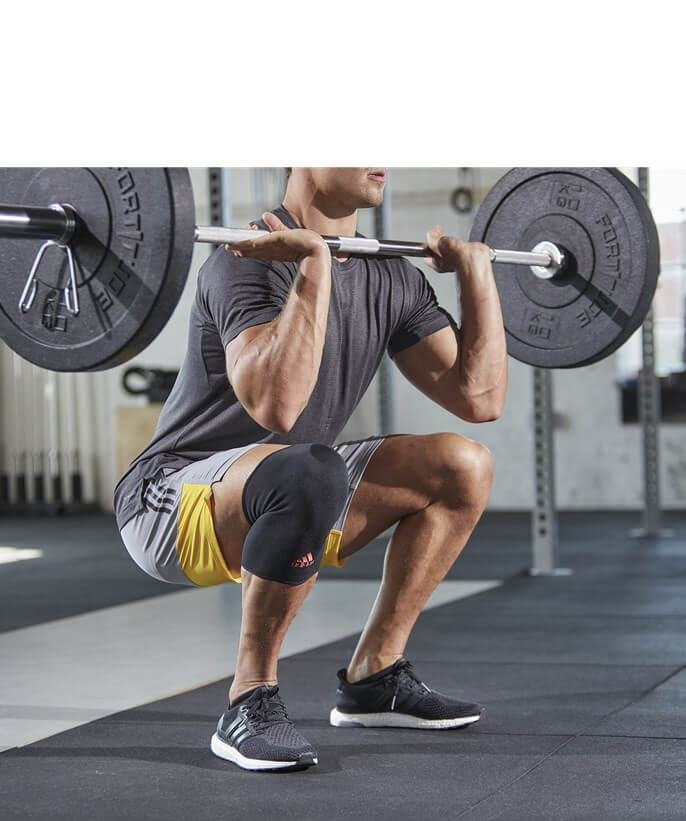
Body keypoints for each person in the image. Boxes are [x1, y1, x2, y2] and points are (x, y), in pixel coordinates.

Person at [114, 168, 507, 771]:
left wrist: (479, 277)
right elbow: (278, 408)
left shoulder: (389, 276)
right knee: (309, 470)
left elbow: (479, 400)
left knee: (462, 465)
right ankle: (248, 700)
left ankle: (375, 677)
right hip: (170, 500)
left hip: (291, 482)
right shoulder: (244, 258)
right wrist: (314, 266)